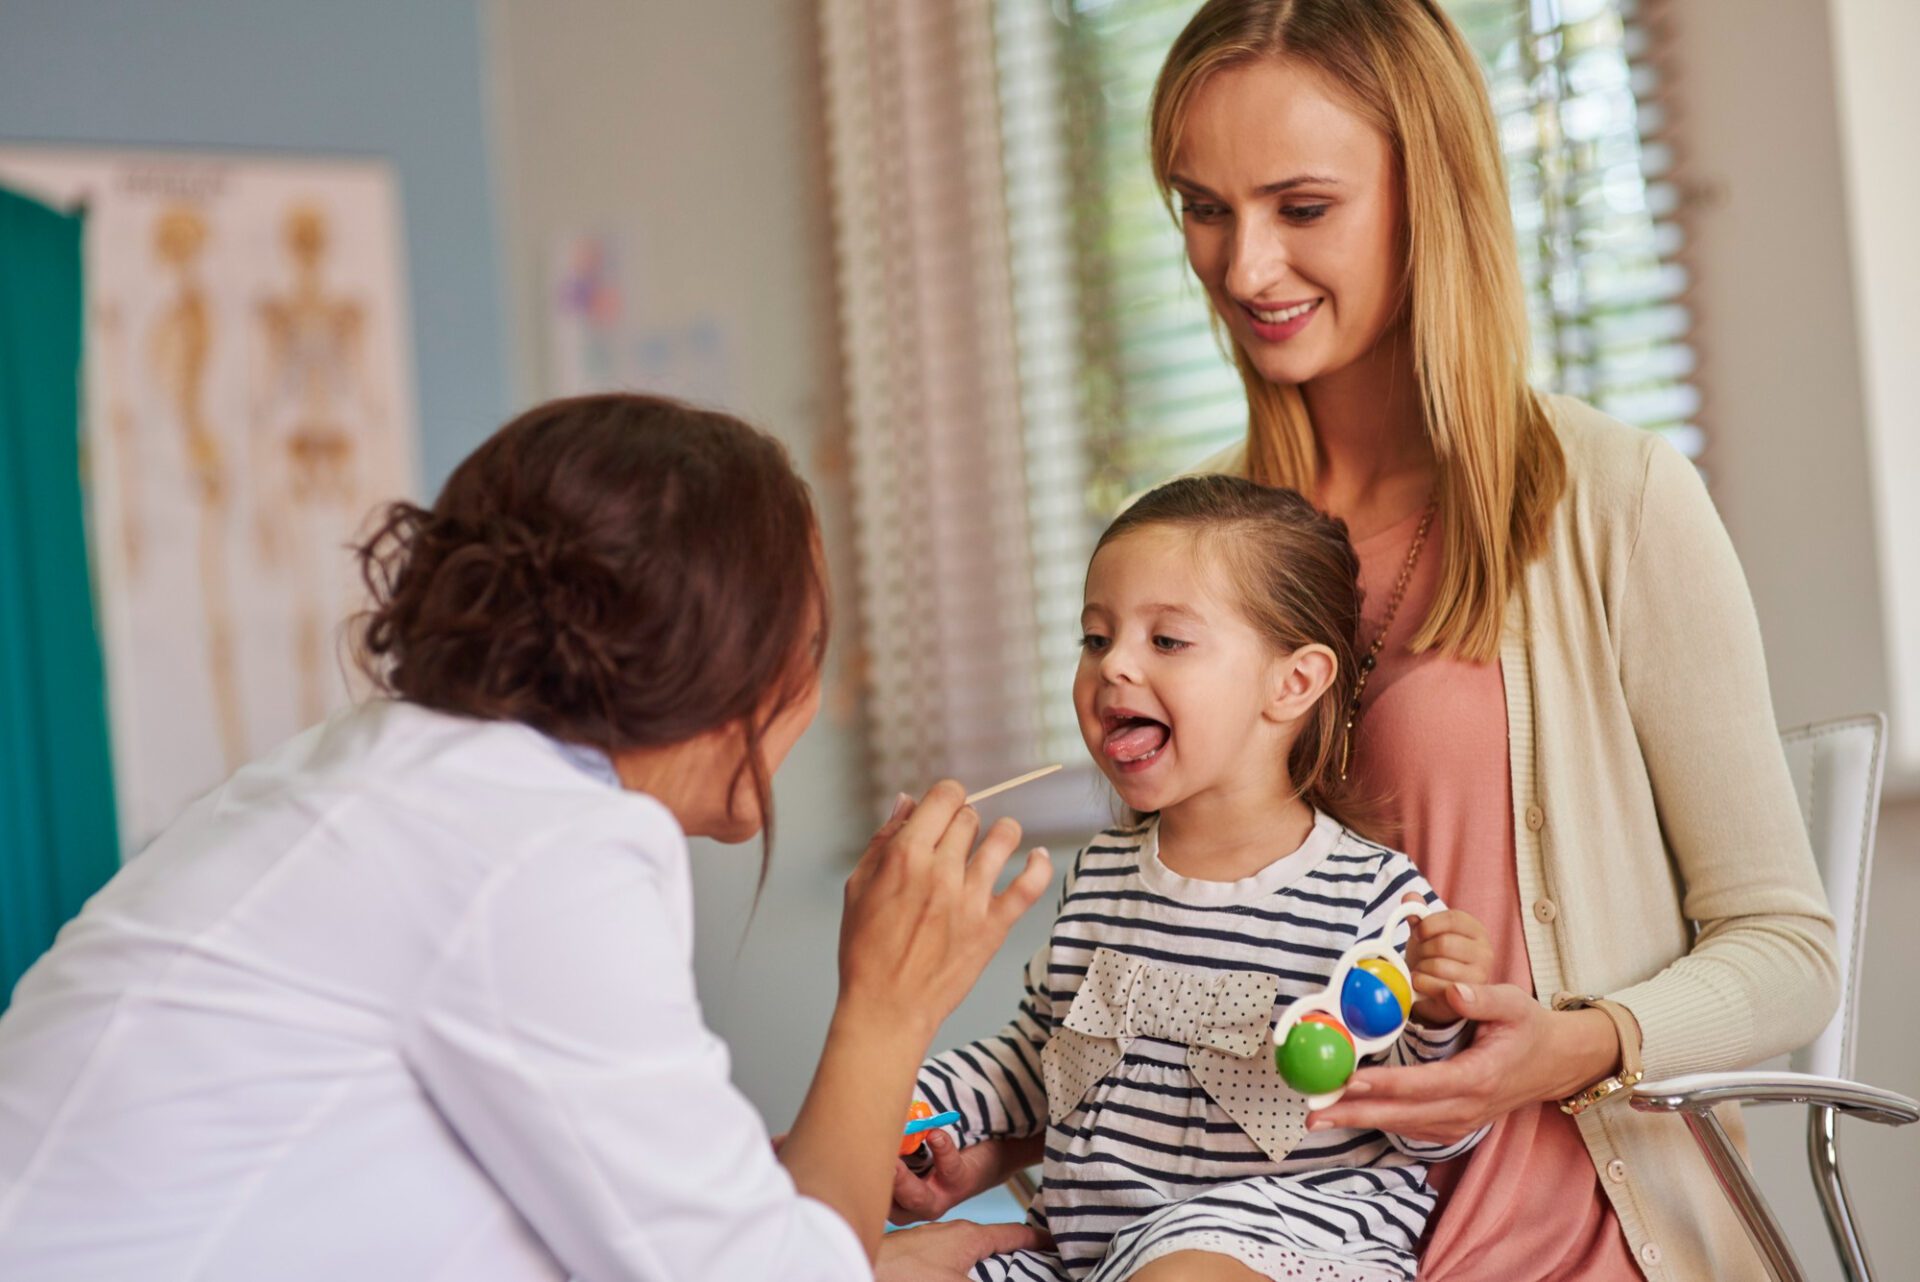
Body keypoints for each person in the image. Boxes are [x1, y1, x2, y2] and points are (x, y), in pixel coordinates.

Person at [893, 3, 1839, 1278]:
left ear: (1425, 196)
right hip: (1220, 1234)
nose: (1242, 269)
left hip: (1546, 1230)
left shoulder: (1615, 502)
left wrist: (1569, 1042)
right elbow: (1173, 970)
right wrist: (987, 1135)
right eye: (1204, 208)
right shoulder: (1201, 558)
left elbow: (1789, 952)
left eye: (1301, 206)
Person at [0, 393, 1051, 1281]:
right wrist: (890, 1002)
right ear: (727, 659)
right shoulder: (534, 854)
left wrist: (806, 1222)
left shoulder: (398, 774)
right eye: (809, 645)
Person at [914, 475, 1496, 1282]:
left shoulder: (1374, 898)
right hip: (1093, 1253)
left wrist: (1434, 1018)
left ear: (1293, 683)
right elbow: (1040, 1062)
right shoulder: (1101, 879)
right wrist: (918, 1108)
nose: (1113, 666)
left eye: (1166, 642)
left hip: (1286, 1245)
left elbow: (1438, 1133)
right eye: (1095, 638)